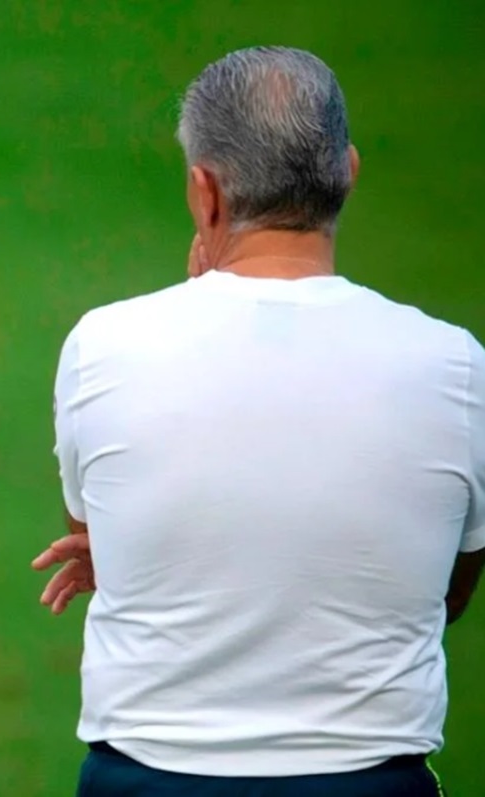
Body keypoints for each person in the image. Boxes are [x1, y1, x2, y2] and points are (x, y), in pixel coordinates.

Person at [33, 46, 485, 796]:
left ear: (204, 192)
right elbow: (450, 588)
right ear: (347, 173)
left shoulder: (101, 347)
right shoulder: (460, 367)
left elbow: (102, 542)